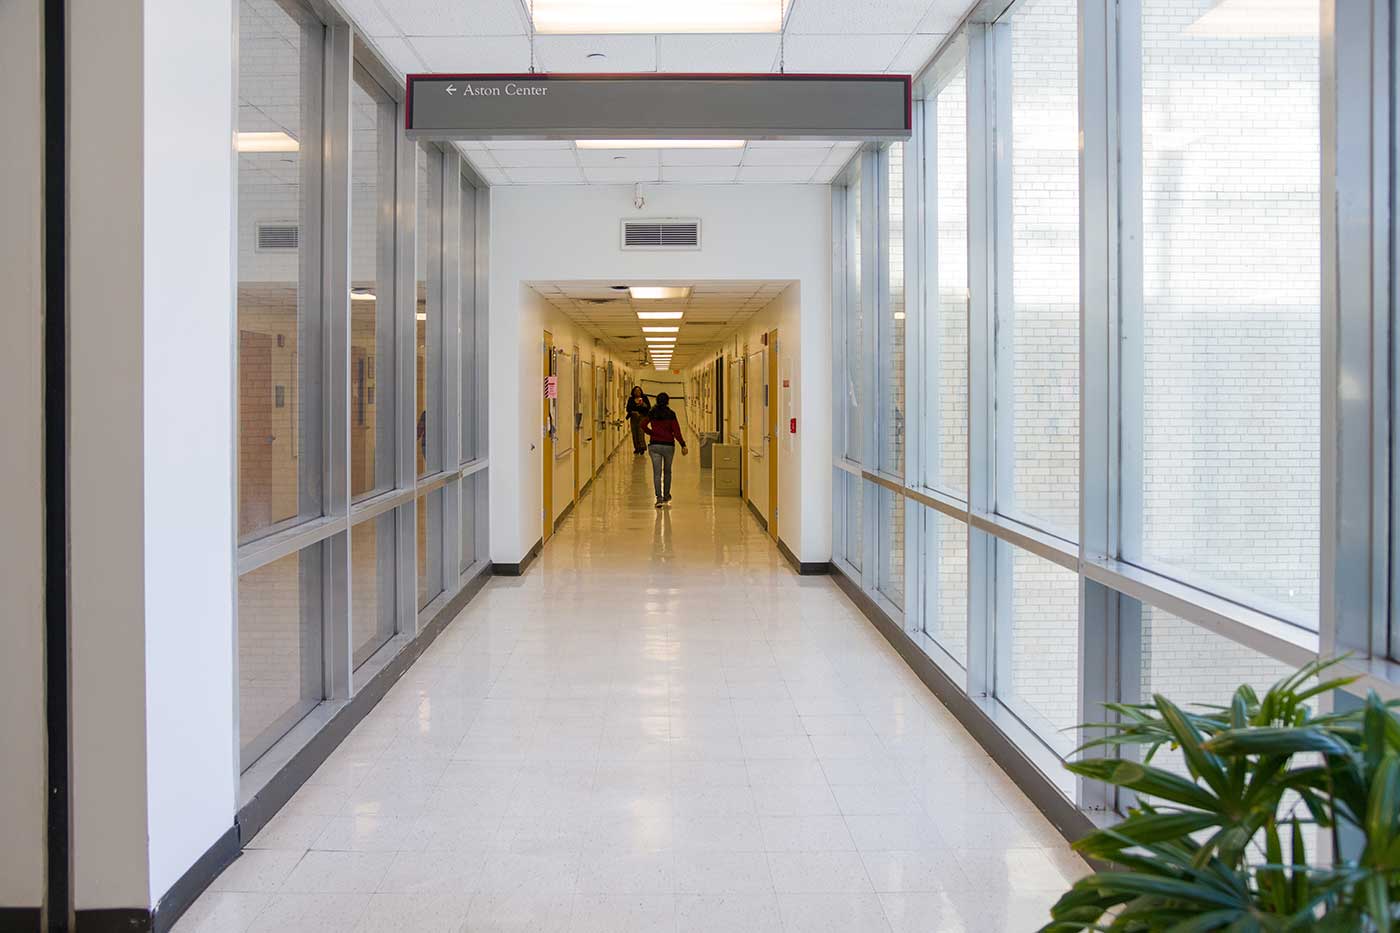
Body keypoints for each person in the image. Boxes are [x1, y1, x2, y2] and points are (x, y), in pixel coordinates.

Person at [642, 392, 687, 507]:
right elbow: (676, 432)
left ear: (656, 400)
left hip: (655, 445)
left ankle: (659, 498)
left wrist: (652, 433)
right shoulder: (671, 413)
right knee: (667, 471)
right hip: (668, 446)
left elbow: (642, 425)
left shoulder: (652, 412)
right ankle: (666, 495)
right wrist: (683, 444)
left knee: (657, 473)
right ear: (668, 401)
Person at [625, 385, 650, 455]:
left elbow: (648, 407)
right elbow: (628, 409)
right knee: (634, 433)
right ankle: (637, 448)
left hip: (642, 417)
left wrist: (643, 404)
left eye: (639, 390)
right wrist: (633, 412)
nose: (637, 392)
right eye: (636, 391)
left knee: (640, 432)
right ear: (633, 392)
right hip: (633, 417)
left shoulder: (644, 398)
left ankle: (642, 447)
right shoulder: (631, 399)